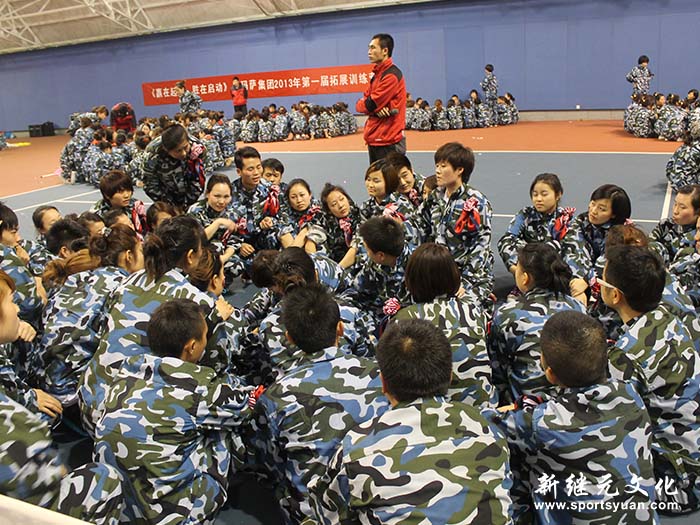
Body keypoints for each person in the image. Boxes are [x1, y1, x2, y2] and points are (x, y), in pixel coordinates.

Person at [310, 318, 513, 525]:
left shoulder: (356, 447)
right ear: (450, 376)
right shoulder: (489, 431)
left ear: (383, 384)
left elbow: (328, 515)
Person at [94, 298, 251, 525]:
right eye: (205, 336)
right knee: (224, 429)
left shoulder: (128, 369)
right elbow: (247, 406)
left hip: (118, 507)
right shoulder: (200, 389)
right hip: (170, 517)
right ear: (192, 347)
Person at [495, 310, 657, 524]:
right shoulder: (630, 394)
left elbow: (487, 423)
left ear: (549, 373)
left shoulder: (542, 423)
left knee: (513, 457)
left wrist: (514, 408)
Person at [252, 283, 389, 523]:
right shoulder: (383, 376)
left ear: (289, 338)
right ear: (340, 328)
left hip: (315, 514)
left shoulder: (276, 397)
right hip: (378, 503)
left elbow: (269, 462)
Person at [603, 245, 700, 513]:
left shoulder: (626, 355)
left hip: (679, 484)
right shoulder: (668, 317)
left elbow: (613, 423)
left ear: (615, 295)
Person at [39, 225, 144, 406]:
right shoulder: (125, 288)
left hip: (45, 379)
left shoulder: (79, 278)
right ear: (129, 256)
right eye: (140, 251)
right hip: (76, 390)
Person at [394, 243, 494, 407]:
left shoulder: (403, 320)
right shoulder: (475, 312)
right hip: (482, 410)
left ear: (411, 279)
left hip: (429, 413)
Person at [489, 243, 585, 403]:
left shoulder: (506, 314)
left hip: (528, 407)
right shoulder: (578, 307)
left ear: (525, 278)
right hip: (574, 403)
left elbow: (498, 368)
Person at [417, 142, 494, 306]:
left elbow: (481, 246)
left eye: (443, 166)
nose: (437, 171)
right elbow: (418, 225)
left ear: (459, 170)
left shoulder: (476, 202)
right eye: (437, 165)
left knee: (461, 309)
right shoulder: (435, 196)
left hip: (468, 275)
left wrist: (465, 281)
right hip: (436, 270)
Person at [498, 172, 575, 276]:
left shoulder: (565, 219)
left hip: (554, 273)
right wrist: (516, 270)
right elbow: (507, 239)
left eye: (544, 194)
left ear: (558, 195)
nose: (538, 199)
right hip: (527, 270)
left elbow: (569, 251)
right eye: (535, 194)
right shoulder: (525, 214)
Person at [356, 33, 407, 163]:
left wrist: (370, 106)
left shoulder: (391, 76)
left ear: (385, 51)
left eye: (373, 48)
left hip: (388, 141)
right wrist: (373, 107)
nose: (369, 52)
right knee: (376, 176)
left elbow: (370, 104)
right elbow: (361, 104)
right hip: (375, 138)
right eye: (369, 48)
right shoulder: (377, 75)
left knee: (390, 176)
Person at [142, 123, 209, 211]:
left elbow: (198, 179)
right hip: (166, 189)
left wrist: (188, 203)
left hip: (188, 185)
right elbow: (151, 186)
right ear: (167, 150)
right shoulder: (151, 155)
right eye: (178, 151)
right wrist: (169, 207)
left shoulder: (197, 147)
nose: (183, 153)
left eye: (185, 147)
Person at [91, 169, 147, 235]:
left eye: (128, 190)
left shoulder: (136, 205)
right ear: (107, 195)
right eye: (120, 192)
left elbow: (145, 229)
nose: (126, 195)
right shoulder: (97, 214)